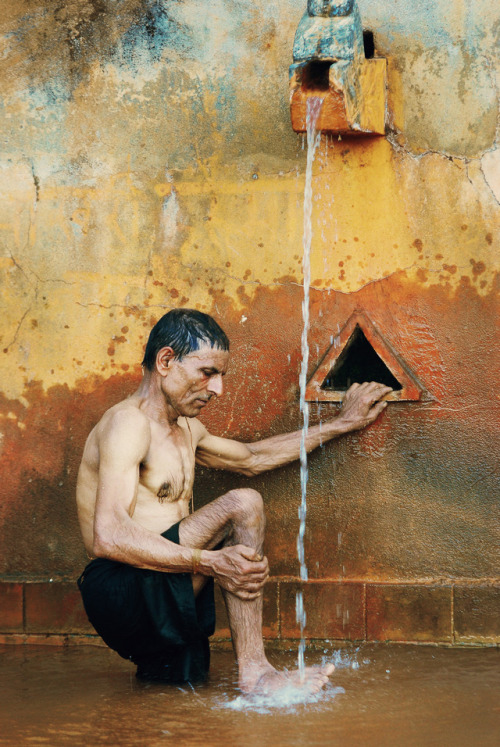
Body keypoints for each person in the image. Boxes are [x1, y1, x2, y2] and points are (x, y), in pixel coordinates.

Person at [76, 308, 391, 695]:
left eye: (220, 376)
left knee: (172, 692)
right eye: (207, 372)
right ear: (165, 361)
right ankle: (256, 672)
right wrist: (210, 561)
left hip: (165, 588)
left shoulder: (186, 429)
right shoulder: (128, 424)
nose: (217, 388)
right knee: (243, 504)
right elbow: (107, 535)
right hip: (121, 588)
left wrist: (343, 423)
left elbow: (252, 458)